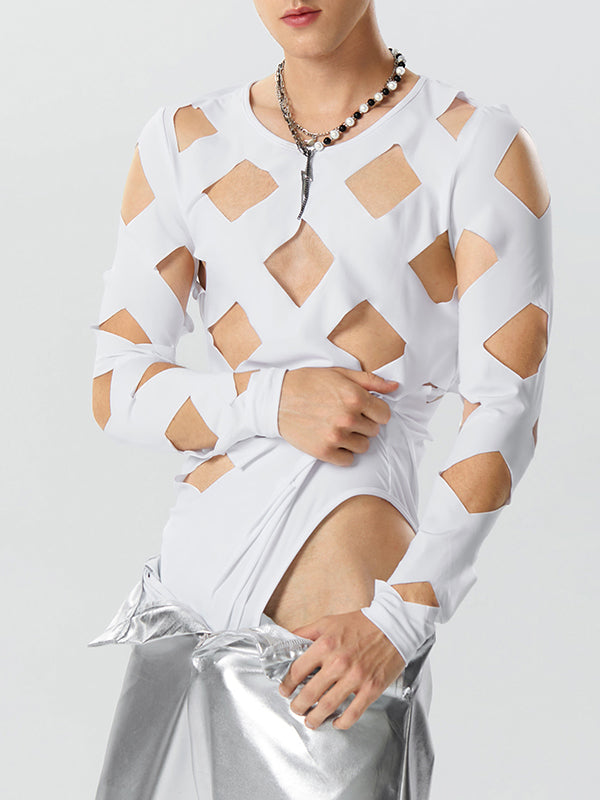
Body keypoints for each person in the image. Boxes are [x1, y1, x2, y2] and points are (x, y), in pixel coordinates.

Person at [88, 1, 553, 797]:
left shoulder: (475, 145)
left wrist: (401, 619)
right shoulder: (185, 141)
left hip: (334, 635)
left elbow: (506, 408)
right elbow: (117, 388)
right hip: (179, 612)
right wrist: (269, 401)